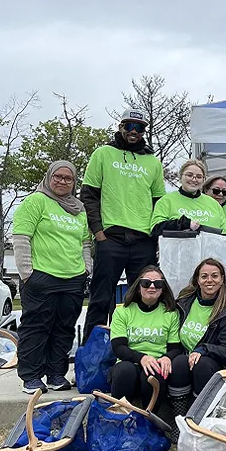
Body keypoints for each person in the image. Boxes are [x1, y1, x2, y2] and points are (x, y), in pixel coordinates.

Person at [81, 108, 165, 341]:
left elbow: (160, 203)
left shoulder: (153, 162)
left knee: (144, 298)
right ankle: (92, 356)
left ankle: (135, 352)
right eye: (129, 126)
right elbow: (88, 195)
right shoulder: (103, 153)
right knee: (100, 299)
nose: (133, 131)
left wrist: (156, 239)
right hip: (111, 238)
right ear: (120, 127)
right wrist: (98, 231)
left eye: (139, 128)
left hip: (143, 240)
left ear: (144, 132)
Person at [12, 161, 91, 394]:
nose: (62, 181)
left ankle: (56, 374)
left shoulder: (79, 208)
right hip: (41, 277)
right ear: (49, 177)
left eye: (68, 179)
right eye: (58, 176)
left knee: (64, 328)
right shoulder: (36, 201)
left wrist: (87, 267)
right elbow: (21, 237)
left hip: (73, 278)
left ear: (74, 183)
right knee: (36, 327)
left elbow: (85, 241)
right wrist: (27, 273)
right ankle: (31, 377)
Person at [169, 258, 226, 439]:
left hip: (212, 362)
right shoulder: (184, 302)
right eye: (204, 276)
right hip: (184, 356)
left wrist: (202, 350)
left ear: (222, 279)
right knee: (178, 362)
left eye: (215, 276)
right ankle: (178, 418)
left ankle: (197, 417)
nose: (210, 280)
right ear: (197, 280)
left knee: (201, 364)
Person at [109, 266, 182, 412]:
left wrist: (168, 357)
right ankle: (119, 419)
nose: (152, 287)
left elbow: (176, 348)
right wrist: (141, 358)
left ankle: (150, 423)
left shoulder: (171, 313)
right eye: (146, 283)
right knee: (125, 370)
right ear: (138, 287)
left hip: (156, 362)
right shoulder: (122, 311)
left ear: (163, 288)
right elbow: (118, 348)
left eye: (158, 284)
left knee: (153, 374)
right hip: (129, 361)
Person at [151, 159, 226, 237]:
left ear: (204, 180)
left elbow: (225, 235)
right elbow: (155, 230)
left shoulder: (214, 204)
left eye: (199, 177)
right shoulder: (166, 201)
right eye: (189, 175)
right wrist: (183, 224)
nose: (194, 179)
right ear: (180, 176)